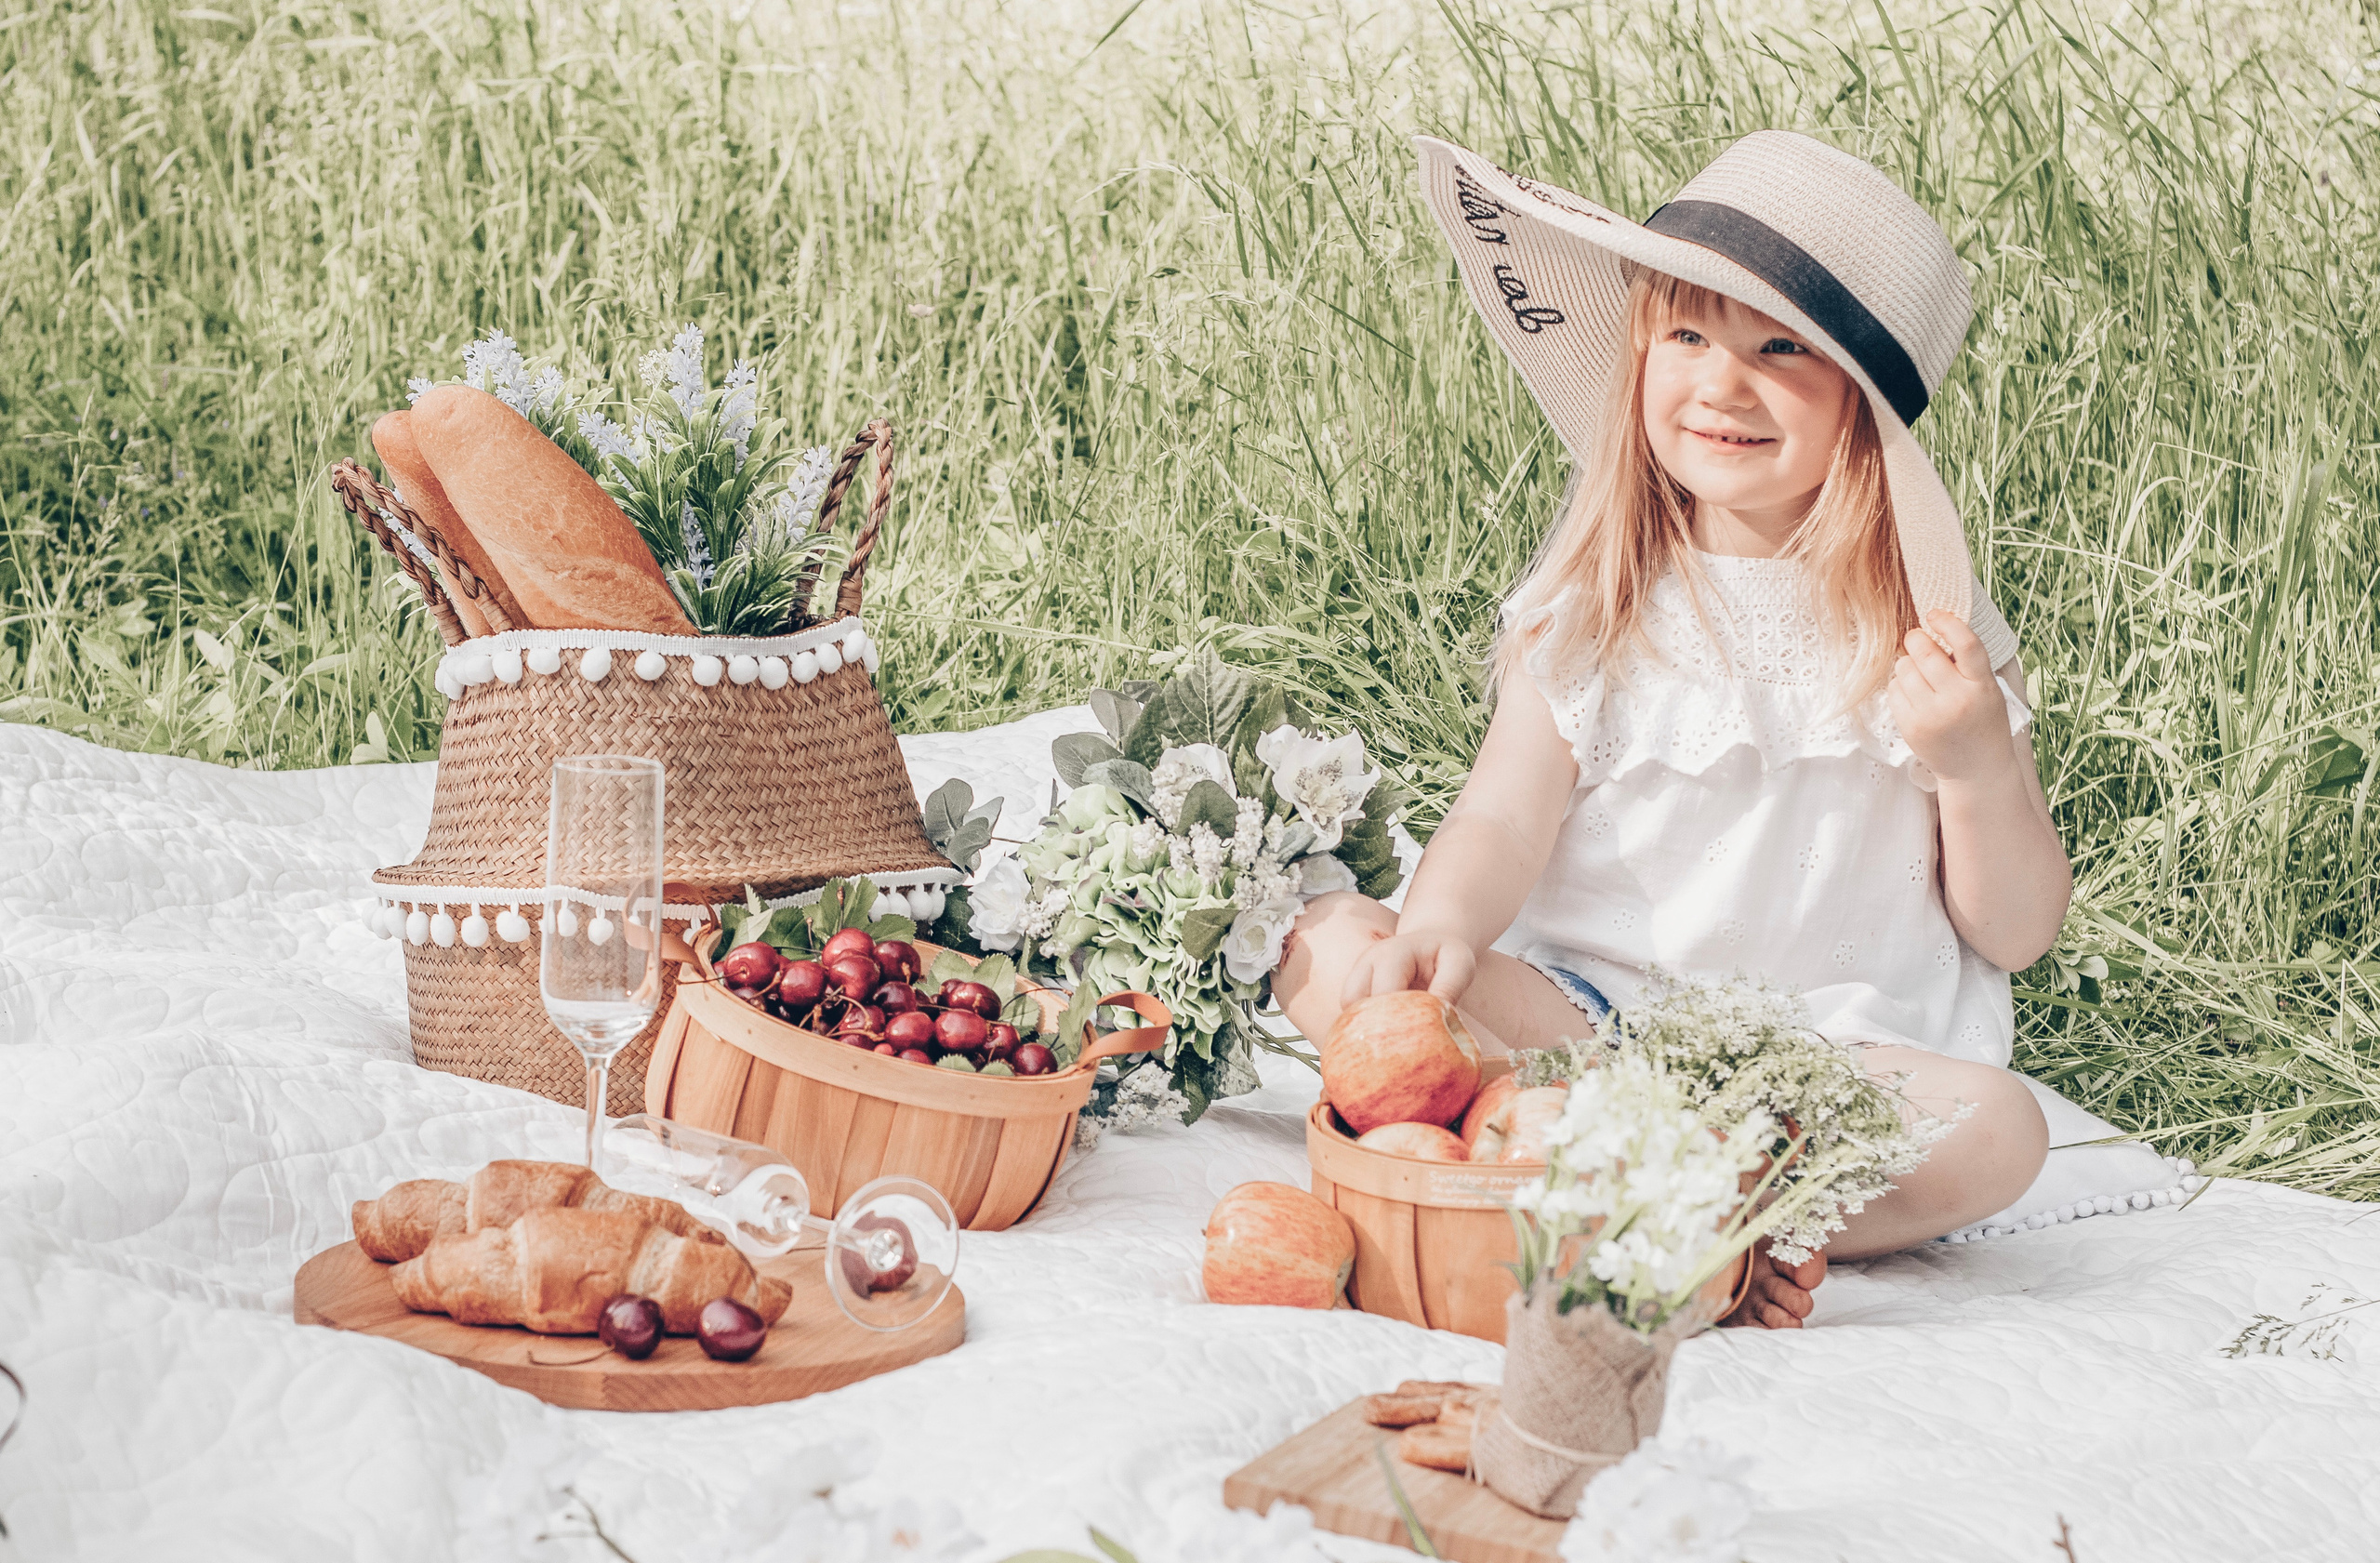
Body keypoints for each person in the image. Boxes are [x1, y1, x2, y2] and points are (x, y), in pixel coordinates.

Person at [1274, 133, 2066, 1329]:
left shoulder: (1927, 632)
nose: (1721, 382)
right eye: (1686, 335)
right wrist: (1439, 924)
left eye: (1779, 348)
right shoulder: (1595, 602)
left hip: (1812, 1069)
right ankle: (1650, 1184)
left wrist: (1972, 759)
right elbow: (1499, 815)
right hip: (1593, 1029)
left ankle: (1685, 1200)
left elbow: (2012, 928)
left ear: (1861, 412)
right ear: (1638, 351)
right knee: (1332, 943)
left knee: (2001, 1131)